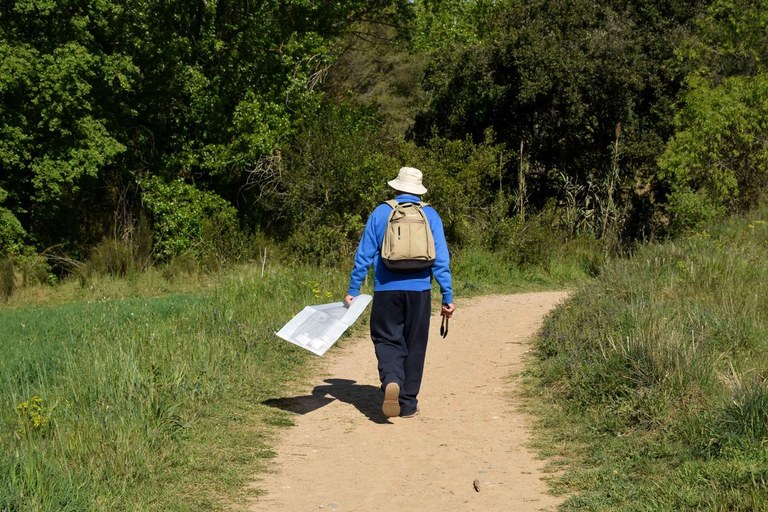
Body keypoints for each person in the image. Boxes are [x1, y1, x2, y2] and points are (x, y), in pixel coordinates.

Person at [345, 166, 456, 419]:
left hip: (386, 290)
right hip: (420, 291)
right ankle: (407, 404)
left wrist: (353, 289)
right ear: (418, 190)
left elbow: (363, 255)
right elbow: (440, 261)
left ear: (396, 186)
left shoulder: (381, 212)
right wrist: (447, 297)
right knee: (415, 344)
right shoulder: (430, 215)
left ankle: (392, 378)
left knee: (386, 338)